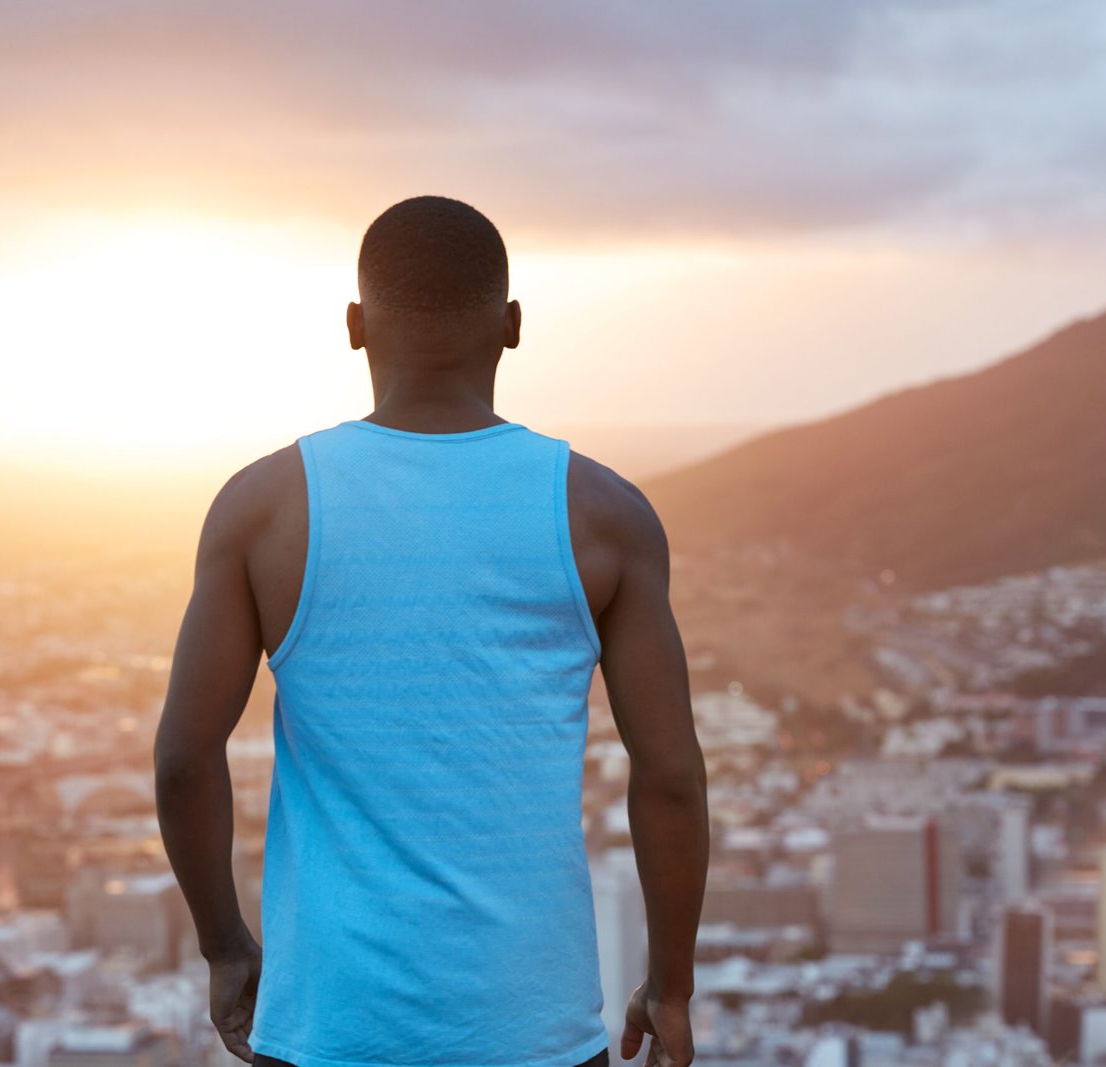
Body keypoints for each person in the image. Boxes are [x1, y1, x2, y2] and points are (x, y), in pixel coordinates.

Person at [153, 195, 709, 1067]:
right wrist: (669, 985)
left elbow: (185, 760)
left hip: (326, 1031)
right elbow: (670, 776)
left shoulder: (264, 508)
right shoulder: (604, 514)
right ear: (512, 325)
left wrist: (225, 946)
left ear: (354, 327)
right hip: (534, 1035)